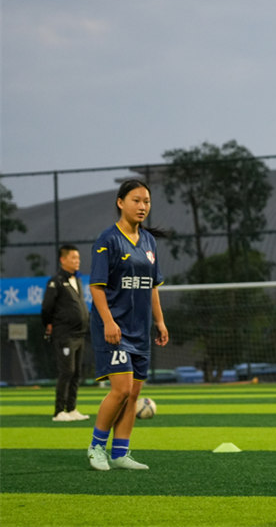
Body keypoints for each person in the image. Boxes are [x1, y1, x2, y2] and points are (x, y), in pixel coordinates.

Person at [86, 179, 169, 472]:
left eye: (146, 201)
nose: (143, 206)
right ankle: (96, 447)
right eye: (136, 200)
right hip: (114, 329)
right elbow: (96, 287)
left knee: (134, 394)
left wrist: (159, 321)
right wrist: (108, 321)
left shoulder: (149, 241)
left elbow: (152, 286)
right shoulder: (107, 240)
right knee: (120, 390)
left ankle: (120, 452)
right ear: (120, 202)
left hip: (140, 328)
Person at [41, 244, 90, 422]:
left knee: (77, 372)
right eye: (73, 258)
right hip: (65, 335)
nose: (77, 261)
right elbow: (47, 307)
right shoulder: (56, 281)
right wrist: (48, 324)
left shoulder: (77, 280)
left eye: (78, 258)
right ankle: (59, 411)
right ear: (63, 260)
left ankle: (71, 408)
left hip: (79, 334)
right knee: (66, 371)